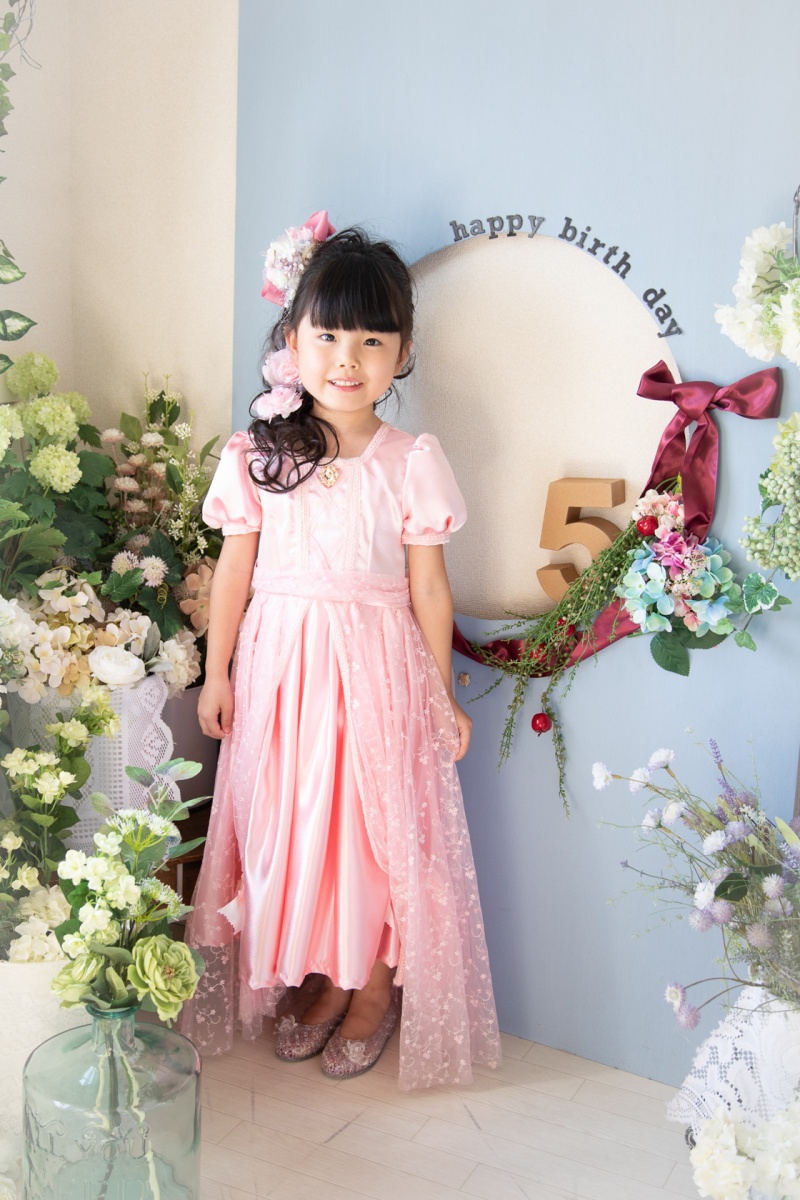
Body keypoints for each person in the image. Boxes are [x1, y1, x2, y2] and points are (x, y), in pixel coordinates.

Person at [180, 213, 500, 1089]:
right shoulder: (258, 453)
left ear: (403, 354)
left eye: (371, 340)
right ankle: (322, 977)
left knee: (369, 834)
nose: (347, 358)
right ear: (293, 341)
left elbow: (428, 589)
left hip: (375, 672)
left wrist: (440, 693)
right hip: (283, 670)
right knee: (295, 830)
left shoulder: (409, 460)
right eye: (327, 336)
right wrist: (217, 672)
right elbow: (235, 570)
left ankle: (374, 989)